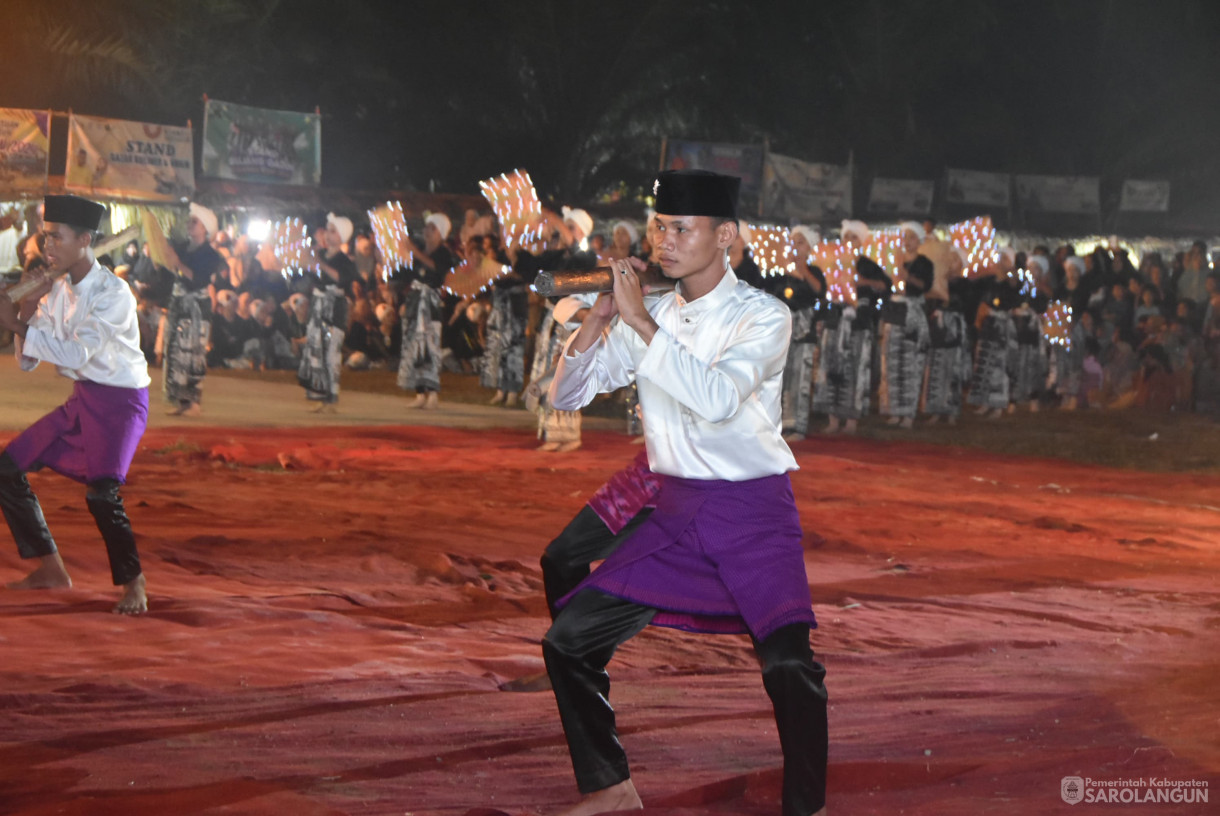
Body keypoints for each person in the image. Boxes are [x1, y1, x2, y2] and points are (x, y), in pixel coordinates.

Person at [542, 170, 827, 816]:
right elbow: (567, 395)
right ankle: (612, 789)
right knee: (568, 641)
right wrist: (599, 323)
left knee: (788, 666)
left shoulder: (764, 315)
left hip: (752, 511)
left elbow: (718, 400)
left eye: (681, 229)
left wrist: (642, 325)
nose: (665, 241)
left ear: (725, 236)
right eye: (659, 227)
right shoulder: (656, 314)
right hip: (674, 514)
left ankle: (809, 807)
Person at [0, 195, 151, 614]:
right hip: (84, 398)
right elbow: (29, 360)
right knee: (7, 469)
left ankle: (133, 582)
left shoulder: (114, 293)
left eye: (56, 237)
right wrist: (27, 311)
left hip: (121, 403)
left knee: (102, 495)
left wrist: (15, 322)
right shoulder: (58, 289)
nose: (48, 247)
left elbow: (76, 355)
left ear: (85, 239)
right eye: (46, 237)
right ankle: (50, 568)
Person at [162, 203, 227, 416]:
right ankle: (181, 401)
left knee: (193, 354)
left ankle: (194, 402)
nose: (190, 224)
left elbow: (198, 279)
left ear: (205, 228)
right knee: (176, 352)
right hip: (179, 304)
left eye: (194, 221)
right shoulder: (182, 247)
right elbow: (172, 267)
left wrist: (177, 263)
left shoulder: (211, 255)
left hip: (196, 309)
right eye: (190, 220)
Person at [397, 212, 455, 409]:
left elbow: (439, 270)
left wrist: (414, 251)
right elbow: (407, 274)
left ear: (441, 233)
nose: (427, 231)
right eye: (427, 227)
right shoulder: (421, 250)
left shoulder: (444, 253)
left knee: (430, 345)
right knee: (414, 345)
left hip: (430, 303)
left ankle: (433, 393)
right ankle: (420, 392)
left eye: (433, 228)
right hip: (416, 300)